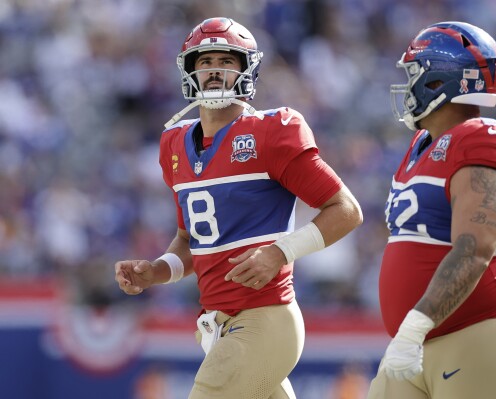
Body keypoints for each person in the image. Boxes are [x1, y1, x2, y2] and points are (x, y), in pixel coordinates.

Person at [114, 17, 362, 399]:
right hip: (216, 325)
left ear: (246, 69)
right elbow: (191, 240)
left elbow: (345, 210)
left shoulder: (272, 131)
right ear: (189, 69)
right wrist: (156, 271)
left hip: (265, 316)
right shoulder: (174, 145)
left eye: (226, 60)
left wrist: (280, 252)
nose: (214, 70)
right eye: (205, 60)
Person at [367, 21, 496, 399]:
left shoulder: (483, 138)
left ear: (439, 80)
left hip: (478, 329)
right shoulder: (422, 145)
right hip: (418, 340)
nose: (407, 84)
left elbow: (475, 249)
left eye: (414, 73)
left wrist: (415, 325)